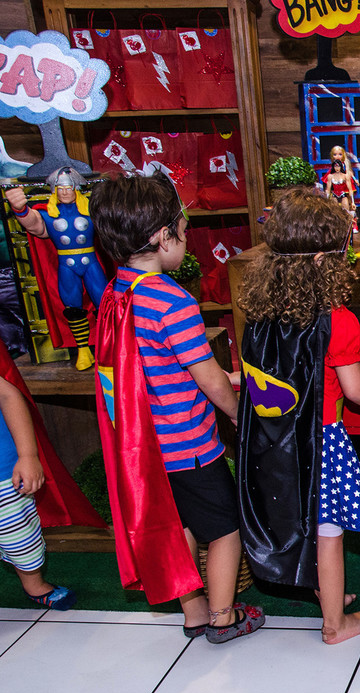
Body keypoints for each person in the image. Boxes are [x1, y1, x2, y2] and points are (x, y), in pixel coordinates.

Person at [90, 172, 263, 643]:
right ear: (162, 237)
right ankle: (224, 617)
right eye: (184, 232)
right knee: (225, 530)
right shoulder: (171, 299)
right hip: (190, 446)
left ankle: (194, 610)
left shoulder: (115, 294)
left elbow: (148, 368)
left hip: (146, 445)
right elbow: (205, 375)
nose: (186, 242)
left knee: (178, 524)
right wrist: (233, 410)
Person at [237, 188, 360, 645]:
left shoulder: (260, 310)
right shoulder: (338, 319)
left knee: (297, 519)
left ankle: (330, 594)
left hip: (271, 441)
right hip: (319, 442)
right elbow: (358, 393)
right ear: (327, 257)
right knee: (329, 533)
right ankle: (334, 624)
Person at [4, 168, 107, 370]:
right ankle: (83, 349)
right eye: (60, 188)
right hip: (66, 266)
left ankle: (107, 345)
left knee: (103, 304)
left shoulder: (91, 210)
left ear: (76, 188)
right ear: (54, 190)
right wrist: (19, 208)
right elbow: (35, 226)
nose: (65, 192)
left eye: (68, 187)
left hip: (91, 263)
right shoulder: (48, 213)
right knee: (73, 308)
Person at [0, 367, 75, 611]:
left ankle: (34, 584)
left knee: (20, 538)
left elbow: (9, 396)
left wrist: (28, 455)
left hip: (3, 474)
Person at [323, 146, 357, 218]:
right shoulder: (330, 175)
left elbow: (350, 176)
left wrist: (354, 179)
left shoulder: (346, 169)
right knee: (334, 211)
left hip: (344, 192)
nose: (337, 156)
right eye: (335, 154)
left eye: (340, 154)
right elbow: (328, 189)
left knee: (347, 207)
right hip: (335, 193)